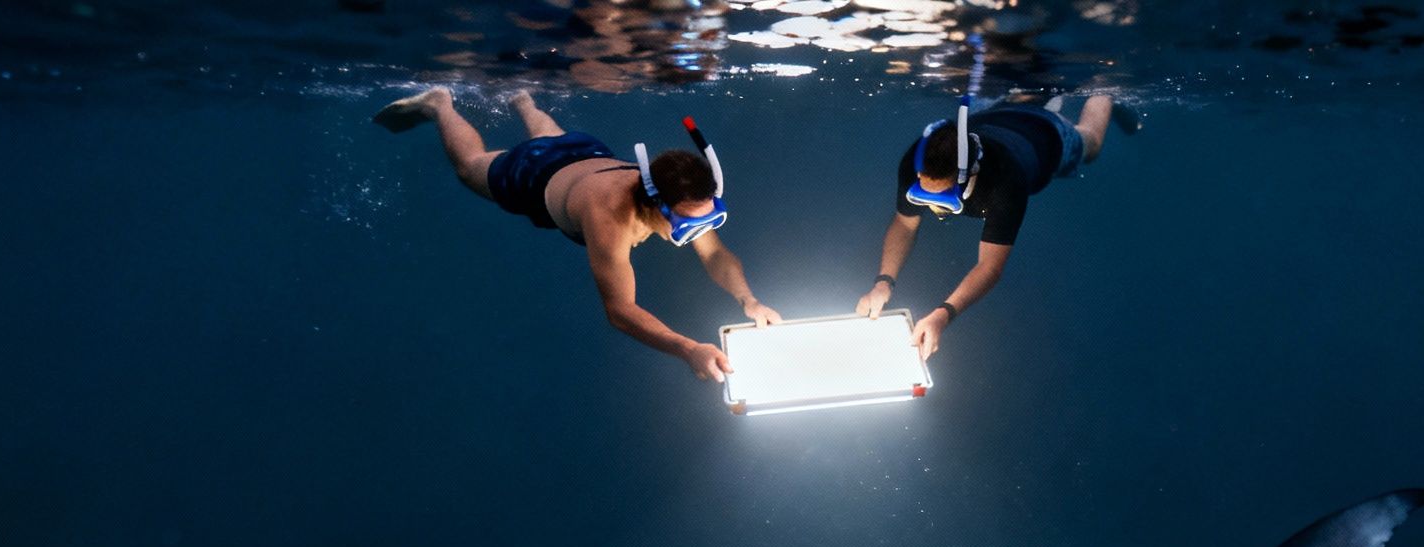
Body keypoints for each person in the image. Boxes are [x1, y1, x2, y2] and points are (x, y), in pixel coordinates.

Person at [375, 88, 781, 383]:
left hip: (586, 154)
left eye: (709, 220)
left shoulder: (683, 198)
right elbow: (620, 311)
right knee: (471, 166)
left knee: (553, 140)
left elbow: (714, 255)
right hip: (535, 176)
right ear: (654, 204)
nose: (698, 233)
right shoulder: (611, 222)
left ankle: (522, 98)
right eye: (689, 225)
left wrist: (749, 299)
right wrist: (688, 349)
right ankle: (439, 103)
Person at [855, 95, 1136, 360]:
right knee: (1017, 95)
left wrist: (943, 314)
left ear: (966, 176)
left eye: (942, 198)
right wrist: (883, 283)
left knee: (1092, 144)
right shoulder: (916, 160)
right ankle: (1025, 97)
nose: (932, 207)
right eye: (923, 195)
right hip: (996, 116)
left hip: (1046, 135)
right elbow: (905, 223)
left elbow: (989, 267)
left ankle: (1104, 94)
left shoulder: (1004, 185)